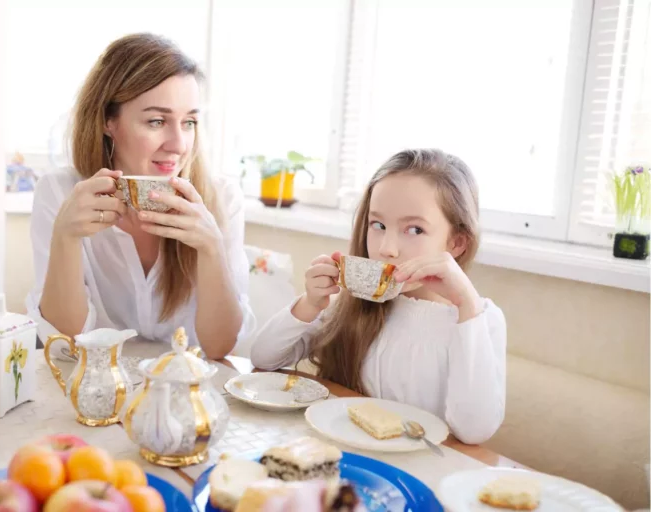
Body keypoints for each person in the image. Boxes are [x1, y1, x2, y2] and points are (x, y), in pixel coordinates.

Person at [251, 148, 506, 444]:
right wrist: (310, 304)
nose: (387, 248)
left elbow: (474, 431)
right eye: (379, 225)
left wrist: (467, 305)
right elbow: (264, 358)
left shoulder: (479, 320)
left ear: (457, 242)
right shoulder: (349, 303)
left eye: (414, 229)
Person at [26, 33, 254, 359]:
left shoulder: (222, 198)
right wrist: (66, 237)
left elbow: (219, 347)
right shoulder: (61, 192)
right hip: (97, 387)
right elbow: (67, 340)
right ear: (108, 121)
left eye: (189, 122)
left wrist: (211, 248)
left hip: (183, 395)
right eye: (157, 121)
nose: (178, 144)